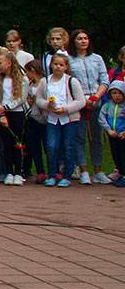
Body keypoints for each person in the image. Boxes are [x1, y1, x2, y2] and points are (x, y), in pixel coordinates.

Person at [37, 51, 85, 187]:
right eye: (55, 64)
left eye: (61, 65)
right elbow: (39, 99)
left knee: (69, 146)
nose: (58, 67)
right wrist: (48, 105)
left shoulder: (71, 81)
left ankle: (67, 175)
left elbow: (80, 101)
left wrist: (66, 109)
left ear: (66, 67)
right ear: (51, 65)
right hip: (52, 119)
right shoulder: (44, 81)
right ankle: (52, 174)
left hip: (69, 119)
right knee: (52, 146)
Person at [68, 29, 110, 184]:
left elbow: (104, 80)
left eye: (86, 38)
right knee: (79, 137)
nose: (83, 41)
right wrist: (82, 99)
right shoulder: (69, 60)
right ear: (74, 41)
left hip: (95, 102)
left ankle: (98, 170)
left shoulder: (97, 59)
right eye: (80, 38)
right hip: (79, 103)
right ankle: (84, 169)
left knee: (96, 137)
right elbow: (69, 82)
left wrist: (96, 97)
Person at [0, 51, 27, 185]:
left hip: (16, 113)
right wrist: (1, 114)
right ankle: (8, 172)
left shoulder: (21, 79)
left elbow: (21, 98)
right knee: (5, 144)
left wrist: (7, 107)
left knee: (17, 143)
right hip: (2, 115)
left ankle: (18, 172)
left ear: (9, 63)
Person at [23, 59, 49, 184]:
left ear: (33, 70)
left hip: (45, 120)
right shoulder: (29, 85)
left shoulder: (45, 83)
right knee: (35, 147)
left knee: (48, 147)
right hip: (33, 119)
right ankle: (40, 171)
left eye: (27, 72)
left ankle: (53, 171)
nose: (26, 75)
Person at [100, 81, 125, 184]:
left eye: (120, 93)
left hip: (123, 135)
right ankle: (120, 171)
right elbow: (101, 118)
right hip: (112, 134)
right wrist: (109, 130)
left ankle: (124, 175)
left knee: (123, 154)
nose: (117, 96)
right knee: (115, 154)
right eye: (114, 93)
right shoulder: (107, 106)